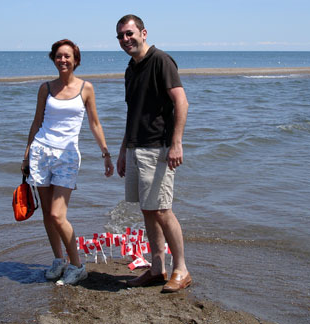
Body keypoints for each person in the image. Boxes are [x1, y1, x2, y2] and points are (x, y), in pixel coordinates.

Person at [21, 39, 114, 286]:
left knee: (57, 214)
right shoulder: (46, 88)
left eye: (68, 56)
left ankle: (77, 265)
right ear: (54, 59)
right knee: (47, 216)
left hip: (67, 157)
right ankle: (58, 260)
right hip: (41, 152)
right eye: (59, 56)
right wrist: (27, 153)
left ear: (76, 60)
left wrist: (105, 153)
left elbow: (94, 124)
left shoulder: (86, 88)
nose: (63, 60)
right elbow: (37, 121)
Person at [115, 15, 191, 293]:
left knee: (162, 210)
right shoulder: (131, 69)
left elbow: (181, 102)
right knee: (147, 210)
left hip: (158, 147)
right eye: (121, 36)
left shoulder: (161, 61)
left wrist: (177, 143)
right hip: (136, 147)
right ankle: (157, 269)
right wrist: (123, 150)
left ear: (143, 33)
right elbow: (132, 113)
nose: (126, 40)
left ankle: (181, 269)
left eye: (130, 33)